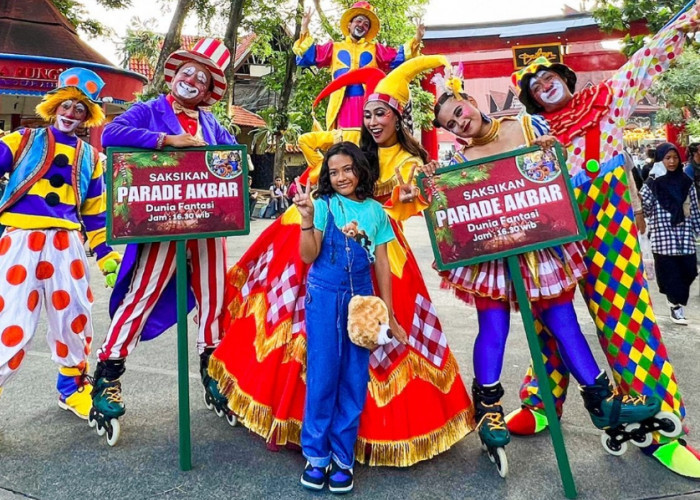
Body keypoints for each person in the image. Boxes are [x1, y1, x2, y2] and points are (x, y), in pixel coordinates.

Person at [207, 56, 473, 468]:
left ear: (398, 116)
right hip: (320, 238)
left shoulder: (408, 161)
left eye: (379, 113)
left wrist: (404, 195)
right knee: (300, 329)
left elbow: (406, 207)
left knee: (369, 342)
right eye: (366, 113)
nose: (371, 120)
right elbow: (314, 144)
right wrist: (337, 155)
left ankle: (354, 441)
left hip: (375, 243)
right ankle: (302, 429)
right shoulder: (351, 146)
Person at [431, 77, 662, 473]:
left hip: (539, 244)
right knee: (493, 325)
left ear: (469, 101)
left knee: (562, 319)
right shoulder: (456, 161)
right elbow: (447, 206)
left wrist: (551, 152)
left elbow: (556, 171)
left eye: (458, 113)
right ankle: (488, 409)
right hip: (492, 252)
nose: (459, 124)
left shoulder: (527, 125)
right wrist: (433, 189)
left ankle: (601, 399)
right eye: (450, 125)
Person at [511, 3, 700, 477]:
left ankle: (659, 424)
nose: (543, 84)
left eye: (548, 76)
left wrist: (683, 23)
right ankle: (540, 404)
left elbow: (648, 58)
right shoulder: (531, 132)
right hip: (554, 237)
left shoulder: (608, 100)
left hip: (608, 233)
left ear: (565, 77)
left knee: (626, 321)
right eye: (534, 86)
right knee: (547, 320)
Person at [90, 38, 237, 439]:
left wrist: (230, 161)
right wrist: (167, 141)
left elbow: (233, 160)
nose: (192, 80)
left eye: (202, 78)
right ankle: (108, 375)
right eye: (188, 72)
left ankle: (213, 372)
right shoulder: (150, 110)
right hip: (161, 223)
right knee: (143, 294)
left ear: (208, 91)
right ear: (175, 77)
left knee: (214, 297)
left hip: (207, 226)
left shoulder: (212, 125)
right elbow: (110, 134)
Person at [0, 67, 120, 419]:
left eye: (79, 110)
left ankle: (71, 389)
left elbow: (97, 215)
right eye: (66, 106)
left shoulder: (91, 159)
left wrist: (106, 257)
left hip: (67, 243)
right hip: (20, 241)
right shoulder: (21, 140)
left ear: (88, 117)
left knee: (74, 316)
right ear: (53, 107)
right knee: (10, 321)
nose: (70, 114)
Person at [294, 142, 399, 493]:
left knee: (353, 380)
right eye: (334, 171)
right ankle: (316, 456)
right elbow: (309, 256)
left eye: (347, 169)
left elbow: (381, 264)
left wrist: (389, 315)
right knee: (323, 376)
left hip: (363, 302)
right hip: (323, 297)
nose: (341, 177)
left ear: (360, 170)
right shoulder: (322, 206)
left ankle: (342, 458)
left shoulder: (376, 212)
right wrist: (307, 222)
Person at [294, 1, 424, 129]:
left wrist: (417, 39)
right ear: (349, 24)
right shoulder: (334, 48)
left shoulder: (375, 49)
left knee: (369, 140)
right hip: (342, 104)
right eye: (359, 21)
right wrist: (305, 27)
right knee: (344, 142)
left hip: (368, 103)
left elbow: (399, 58)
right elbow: (307, 56)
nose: (362, 25)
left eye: (366, 24)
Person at [641, 142, 700, 325]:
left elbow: (695, 208)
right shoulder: (653, 183)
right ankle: (676, 307)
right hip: (663, 238)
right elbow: (645, 207)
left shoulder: (686, 182)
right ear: (660, 160)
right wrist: (651, 182)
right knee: (671, 274)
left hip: (685, 237)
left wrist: (698, 229)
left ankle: (673, 298)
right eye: (667, 158)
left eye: (675, 158)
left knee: (690, 271)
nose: (672, 162)